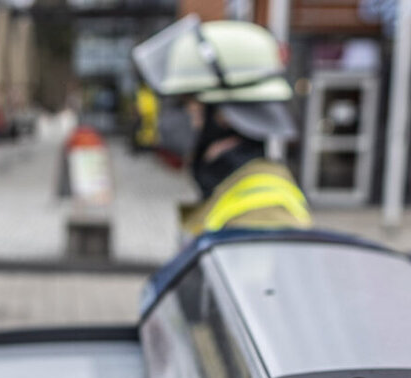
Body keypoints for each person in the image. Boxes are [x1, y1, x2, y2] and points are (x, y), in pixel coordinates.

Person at [132, 15, 311, 236]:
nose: (176, 119)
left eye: (186, 105)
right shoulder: (233, 188)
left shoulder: (263, 212)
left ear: (223, 117)